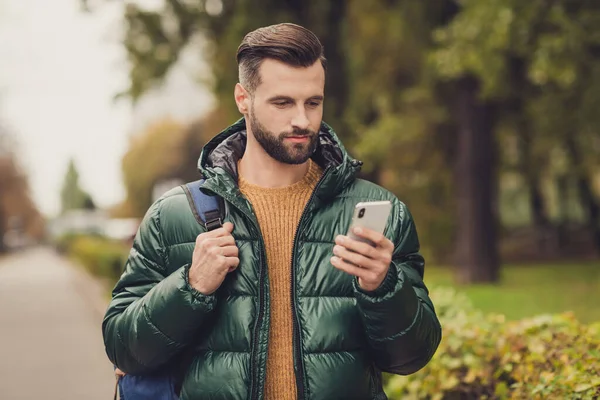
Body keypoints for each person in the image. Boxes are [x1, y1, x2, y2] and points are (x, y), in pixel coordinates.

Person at [103, 23, 442, 400]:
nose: (302, 120)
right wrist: (191, 285)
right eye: (282, 103)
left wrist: (384, 287)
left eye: (313, 102)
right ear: (243, 98)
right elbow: (123, 347)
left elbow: (413, 356)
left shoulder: (383, 213)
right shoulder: (175, 216)